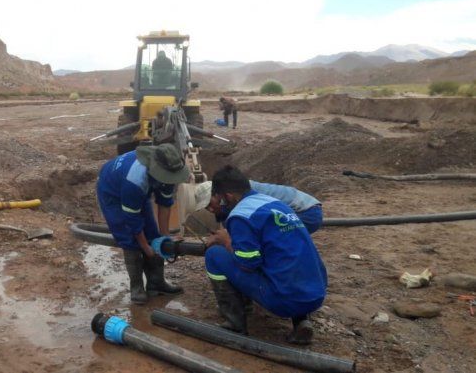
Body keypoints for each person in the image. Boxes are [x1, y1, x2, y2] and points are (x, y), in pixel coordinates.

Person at [203, 166, 327, 344]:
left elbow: (248, 263)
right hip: (316, 293)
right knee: (283, 256)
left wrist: (226, 241)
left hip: (285, 301)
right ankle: (301, 320)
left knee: (214, 255)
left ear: (228, 196)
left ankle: (235, 323)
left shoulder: (241, 214)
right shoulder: (275, 204)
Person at [96, 143, 189, 305]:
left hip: (136, 189)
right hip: (112, 192)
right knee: (129, 238)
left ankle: (156, 283)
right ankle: (137, 287)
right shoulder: (135, 179)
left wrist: (164, 237)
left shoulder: (169, 169)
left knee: (153, 234)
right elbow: (132, 220)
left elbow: (165, 204)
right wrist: (146, 248)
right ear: (158, 171)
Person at [193, 180, 322, 235]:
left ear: (217, 194)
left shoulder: (241, 194)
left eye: (210, 204)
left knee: (268, 242)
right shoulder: (229, 197)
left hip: (306, 212)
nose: (210, 210)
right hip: (304, 209)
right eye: (206, 208)